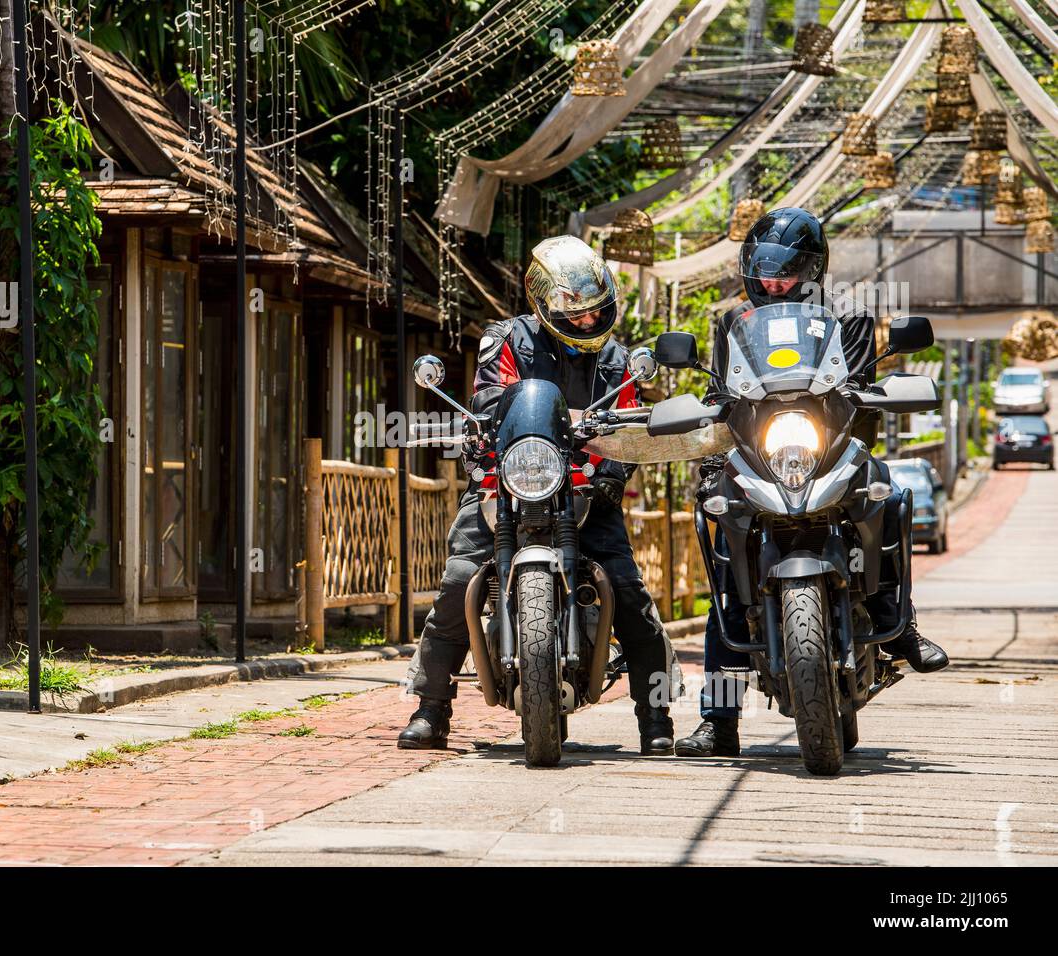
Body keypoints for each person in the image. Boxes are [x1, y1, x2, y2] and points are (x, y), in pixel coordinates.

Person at [674, 208, 950, 758]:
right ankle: (720, 722)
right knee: (728, 577)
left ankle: (902, 628)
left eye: (789, 269)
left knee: (889, 496)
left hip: (830, 450)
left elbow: (862, 390)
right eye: (765, 268)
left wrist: (885, 388)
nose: (776, 281)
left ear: (813, 269)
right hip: (757, 454)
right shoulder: (731, 325)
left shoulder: (844, 321)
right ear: (748, 268)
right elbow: (717, 395)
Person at [398, 235, 676, 755]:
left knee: (627, 590)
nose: (591, 322)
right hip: (509, 486)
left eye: (598, 312)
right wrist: (482, 451)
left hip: (585, 490)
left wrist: (613, 471)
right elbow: (487, 401)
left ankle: (655, 719)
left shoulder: (616, 360)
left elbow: (632, 421)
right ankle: (431, 708)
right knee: (461, 580)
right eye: (580, 313)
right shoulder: (508, 341)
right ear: (542, 301)